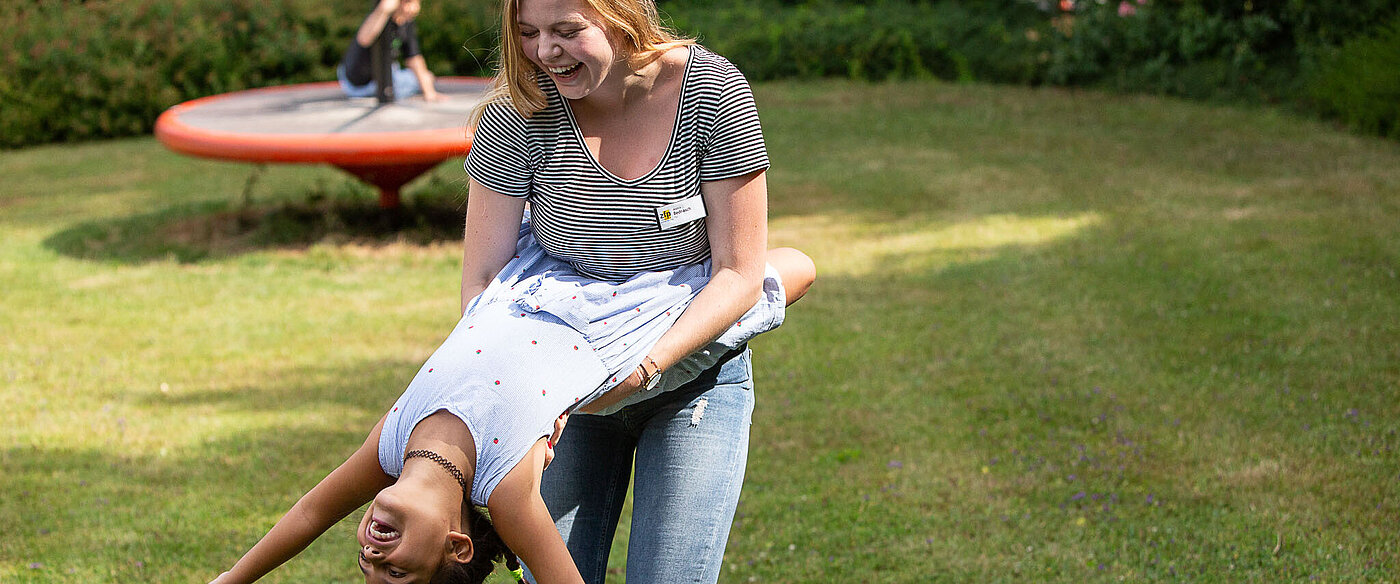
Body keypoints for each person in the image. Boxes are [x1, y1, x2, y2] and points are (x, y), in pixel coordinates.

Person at [207, 217, 812, 584]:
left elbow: (311, 513)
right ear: (457, 543)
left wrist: (233, 578)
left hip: (544, 280)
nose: (371, 553)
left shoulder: (392, 445)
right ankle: (770, 281)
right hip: (637, 331)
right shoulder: (506, 490)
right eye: (396, 571)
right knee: (791, 271)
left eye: (366, 565)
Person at [460, 0, 812, 581]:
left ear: (621, 14)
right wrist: (524, 392)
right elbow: (483, 286)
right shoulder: (520, 114)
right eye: (528, 33)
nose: (545, 51)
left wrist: (643, 367)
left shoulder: (709, 88)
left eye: (567, 31)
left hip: (693, 382)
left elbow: (739, 272)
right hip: (563, 397)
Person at [338, 0, 442, 101]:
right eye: (408, 2)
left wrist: (429, 92)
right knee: (406, 85)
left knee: (425, 77)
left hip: (384, 74)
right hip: (359, 84)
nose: (415, 9)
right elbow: (364, 39)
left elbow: (413, 58)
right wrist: (384, 9)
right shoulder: (379, 18)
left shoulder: (405, 23)